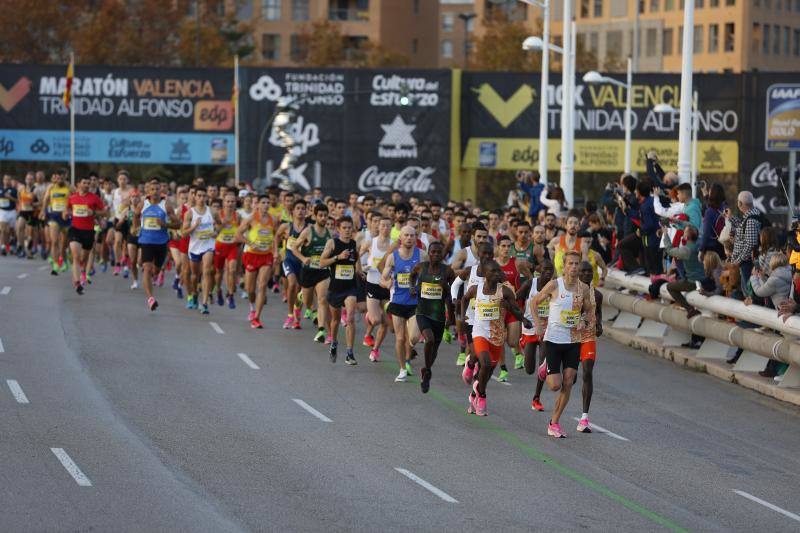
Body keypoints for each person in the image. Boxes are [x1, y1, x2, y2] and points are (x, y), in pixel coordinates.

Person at [531, 250, 595, 438]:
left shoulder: (583, 289)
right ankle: (545, 368)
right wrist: (538, 325)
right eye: (571, 264)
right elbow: (534, 302)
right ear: (564, 266)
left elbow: (590, 311)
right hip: (553, 340)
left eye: (577, 264)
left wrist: (584, 319)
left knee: (569, 381)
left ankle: (554, 422)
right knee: (554, 386)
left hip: (573, 341)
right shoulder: (554, 285)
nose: (574, 267)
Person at [461, 260, 531, 416]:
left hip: (497, 336)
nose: (498, 274)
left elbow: (514, 308)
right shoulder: (475, 289)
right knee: (484, 363)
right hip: (479, 333)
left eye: (498, 271)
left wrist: (524, 320)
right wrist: (461, 316)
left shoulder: (504, 291)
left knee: (485, 373)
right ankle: (483, 397)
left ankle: (475, 394)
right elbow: (465, 299)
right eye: (493, 271)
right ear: (485, 274)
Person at [409, 240, 456, 393]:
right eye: (433, 252)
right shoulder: (421, 267)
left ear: (443, 254)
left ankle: (427, 370)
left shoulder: (448, 271)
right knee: (428, 339)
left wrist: (446, 288)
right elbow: (412, 276)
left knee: (434, 350)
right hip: (423, 312)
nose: (436, 254)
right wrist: (412, 287)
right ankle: (427, 370)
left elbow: (453, 294)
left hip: (439, 315)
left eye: (439, 252)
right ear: (428, 253)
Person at [382, 226, 426, 382]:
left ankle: (409, 351)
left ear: (416, 237)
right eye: (406, 235)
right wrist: (386, 283)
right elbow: (384, 277)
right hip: (398, 302)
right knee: (400, 338)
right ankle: (402, 369)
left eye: (412, 235)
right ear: (400, 237)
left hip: (415, 302)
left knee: (413, 338)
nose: (409, 238)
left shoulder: (421, 255)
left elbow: (430, 275)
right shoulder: (393, 257)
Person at [319, 216, 362, 365]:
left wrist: (359, 271)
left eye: (350, 228)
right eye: (344, 228)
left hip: (350, 288)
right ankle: (334, 343)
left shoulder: (353, 244)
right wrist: (337, 257)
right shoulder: (332, 243)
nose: (348, 231)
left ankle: (350, 353)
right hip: (335, 288)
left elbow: (356, 260)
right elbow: (321, 263)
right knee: (336, 320)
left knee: (350, 317)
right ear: (338, 229)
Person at [134, 180, 180, 311]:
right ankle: (150, 298)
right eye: (152, 189)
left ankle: (157, 274)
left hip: (161, 242)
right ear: (148, 191)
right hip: (146, 241)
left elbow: (178, 224)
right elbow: (136, 216)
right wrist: (135, 227)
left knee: (156, 270)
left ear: (161, 191)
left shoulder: (166, 206)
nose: (154, 192)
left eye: (157, 189)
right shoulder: (143, 204)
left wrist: (165, 225)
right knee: (147, 269)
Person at [290, 203, 332, 342]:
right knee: (308, 301)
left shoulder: (330, 233)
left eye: (325, 215)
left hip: (322, 272)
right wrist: (303, 258)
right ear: (314, 216)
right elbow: (294, 248)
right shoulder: (308, 231)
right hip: (308, 271)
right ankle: (301, 297)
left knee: (322, 299)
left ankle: (321, 330)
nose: (323, 218)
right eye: (320, 215)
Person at [518, 259, 555, 412]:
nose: (547, 272)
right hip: (530, 327)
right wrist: (523, 318)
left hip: (547, 328)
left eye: (550, 270)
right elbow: (513, 300)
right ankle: (523, 343)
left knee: (543, 365)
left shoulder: (554, 287)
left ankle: (536, 398)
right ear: (539, 269)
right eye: (545, 269)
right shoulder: (530, 284)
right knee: (529, 369)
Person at [236, 195, 277, 329]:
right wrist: (250, 243)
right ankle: (252, 307)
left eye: (267, 202)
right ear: (258, 204)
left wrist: (275, 252)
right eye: (263, 202)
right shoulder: (251, 219)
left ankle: (257, 317)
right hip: (252, 255)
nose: (266, 205)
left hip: (266, 256)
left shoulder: (273, 219)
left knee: (263, 285)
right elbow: (238, 234)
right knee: (250, 289)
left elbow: (276, 237)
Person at [64, 176, 107, 294]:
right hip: (75, 230)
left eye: (88, 183)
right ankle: (77, 283)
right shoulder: (72, 198)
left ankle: (83, 271)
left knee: (84, 258)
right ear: (78, 184)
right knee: (76, 256)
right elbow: (66, 210)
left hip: (88, 231)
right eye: (84, 182)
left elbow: (104, 212)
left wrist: (93, 212)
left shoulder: (94, 198)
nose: (87, 185)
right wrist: (66, 213)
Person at [576, 260, 603, 433]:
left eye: (590, 271)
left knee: (587, 371)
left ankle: (584, 417)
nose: (587, 274)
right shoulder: (569, 292)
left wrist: (599, 325)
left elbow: (598, 312)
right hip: (570, 337)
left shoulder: (597, 295)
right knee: (567, 378)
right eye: (583, 271)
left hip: (588, 337)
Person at [361, 215, 392, 362]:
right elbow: (356, 256)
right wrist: (360, 269)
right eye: (383, 225)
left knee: (386, 322)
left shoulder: (394, 246)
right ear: (378, 227)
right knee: (376, 320)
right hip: (372, 284)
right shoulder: (370, 243)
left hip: (386, 286)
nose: (385, 228)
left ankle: (375, 350)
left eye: (388, 226)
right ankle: (369, 316)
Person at [183, 187, 218, 314]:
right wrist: (194, 226)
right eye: (199, 195)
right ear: (195, 197)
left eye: (204, 196)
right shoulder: (190, 213)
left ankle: (204, 303)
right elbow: (184, 233)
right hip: (194, 248)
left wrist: (216, 232)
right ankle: (194, 294)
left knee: (207, 271)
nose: (202, 198)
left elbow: (219, 224)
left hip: (208, 245)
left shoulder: (212, 211)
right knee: (194, 275)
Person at [276, 199, 307, 328]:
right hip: (289, 260)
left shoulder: (309, 229)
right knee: (292, 284)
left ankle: (297, 312)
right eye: (298, 208)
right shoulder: (286, 226)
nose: (300, 211)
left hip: (303, 263)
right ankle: (290, 315)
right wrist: (276, 252)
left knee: (301, 292)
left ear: (306, 211)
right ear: (293, 211)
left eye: (303, 208)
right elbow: (277, 236)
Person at [664, 226, 705, 318]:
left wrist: (665, 234)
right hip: (706, 278)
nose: (683, 233)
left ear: (686, 237)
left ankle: (689, 309)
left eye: (685, 232)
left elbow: (669, 251)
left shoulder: (686, 250)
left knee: (670, 287)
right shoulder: (700, 242)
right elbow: (690, 227)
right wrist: (676, 221)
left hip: (693, 282)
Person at [213, 191, 241, 309]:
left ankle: (230, 295)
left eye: (232, 202)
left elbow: (241, 230)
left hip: (232, 247)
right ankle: (218, 289)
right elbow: (215, 232)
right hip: (220, 245)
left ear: (235, 203)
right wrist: (221, 225)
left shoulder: (238, 216)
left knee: (232, 270)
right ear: (224, 203)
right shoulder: (218, 215)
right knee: (219, 272)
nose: (230, 204)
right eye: (228, 201)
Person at [729, 191, 762, 289]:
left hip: (746, 263)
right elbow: (743, 227)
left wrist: (738, 261)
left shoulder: (751, 219)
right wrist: (730, 217)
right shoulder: (751, 215)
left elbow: (751, 243)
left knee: (747, 291)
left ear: (740, 203)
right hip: (745, 262)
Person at [41, 170, 71, 274]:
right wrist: (43, 211)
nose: (59, 180)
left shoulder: (69, 187)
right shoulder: (51, 187)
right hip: (54, 216)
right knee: (54, 241)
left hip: (66, 217)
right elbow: (45, 200)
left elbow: (75, 200)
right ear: (55, 178)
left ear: (65, 177)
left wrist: (68, 210)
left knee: (63, 245)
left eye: (62, 178)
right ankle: (55, 264)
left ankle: (65, 260)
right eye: (58, 178)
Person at [0, 174, 18, 255]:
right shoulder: (0, 189)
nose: (7, 181)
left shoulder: (13, 190)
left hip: (12, 211)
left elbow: (18, 201)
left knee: (11, 231)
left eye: (8, 179)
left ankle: (11, 245)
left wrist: (10, 197)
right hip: (2, 211)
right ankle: (3, 247)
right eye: (5, 179)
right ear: (3, 180)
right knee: (3, 230)